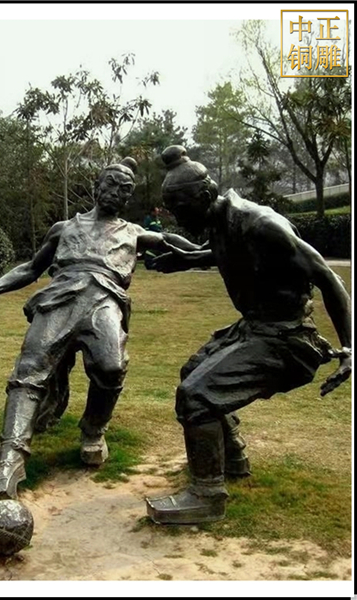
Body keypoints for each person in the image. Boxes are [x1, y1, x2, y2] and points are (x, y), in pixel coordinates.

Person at [0, 157, 202, 506]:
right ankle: (10, 460)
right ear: (96, 187)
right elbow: (32, 268)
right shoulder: (64, 228)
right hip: (59, 298)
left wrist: (210, 253)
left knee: (111, 367)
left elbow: (170, 241)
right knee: (29, 370)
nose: (117, 192)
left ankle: (93, 430)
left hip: (104, 300)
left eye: (125, 189)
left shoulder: (133, 233)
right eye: (112, 184)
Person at [144, 145, 352, 524]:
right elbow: (224, 251)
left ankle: (207, 495)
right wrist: (187, 260)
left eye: (181, 209)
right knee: (192, 373)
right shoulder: (223, 222)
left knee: (196, 395)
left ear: (205, 196)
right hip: (255, 328)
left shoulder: (260, 224)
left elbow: (328, 276)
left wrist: (350, 347)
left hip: (287, 340)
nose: (177, 218)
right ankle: (232, 456)